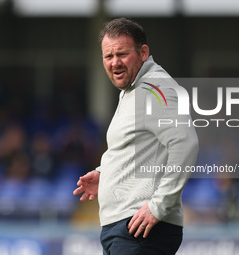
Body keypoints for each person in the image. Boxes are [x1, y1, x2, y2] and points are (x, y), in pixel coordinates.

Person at [73, 17, 198, 255]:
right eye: (108, 57)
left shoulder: (155, 88)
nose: (114, 63)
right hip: (126, 228)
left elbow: (186, 143)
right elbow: (141, 147)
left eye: (122, 54)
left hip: (140, 229)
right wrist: (106, 174)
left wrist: (158, 206)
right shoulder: (135, 89)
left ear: (143, 53)